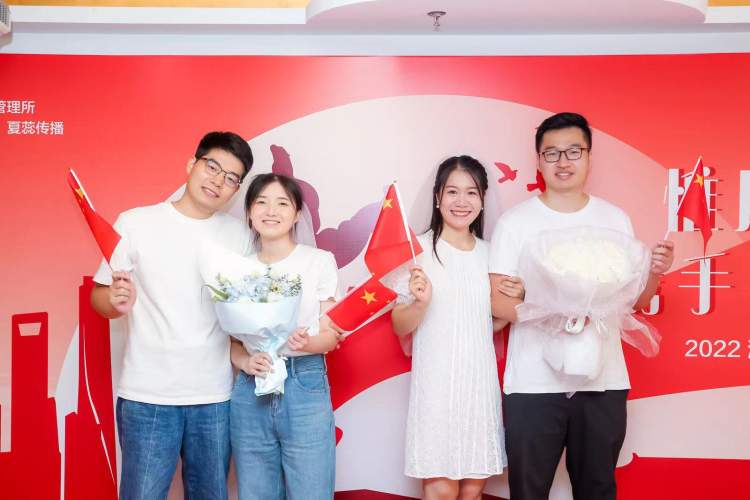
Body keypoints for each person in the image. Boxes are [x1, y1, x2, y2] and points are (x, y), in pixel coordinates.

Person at [489, 112, 675, 500]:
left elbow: (635, 302)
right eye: (552, 153)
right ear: (539, 161)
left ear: (589, 157)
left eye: (574, 151)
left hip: (603, 382)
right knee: (528, 491)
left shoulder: (614, 219)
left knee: (597, 489)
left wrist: (655, 274)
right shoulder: (515, 223)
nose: (563, 161)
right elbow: (498, 302)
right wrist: (553, 314)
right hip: (533, 383)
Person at [90, 131, 254, 500]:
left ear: (236, 189)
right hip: (147, 393)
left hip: (213, 395)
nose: (218, 181)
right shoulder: (135, 223)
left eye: (231, 178)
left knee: (210, 493)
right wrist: (113, 300)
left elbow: (243, 310)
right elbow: (100, 297)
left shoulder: (239, 236)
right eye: (212, 167)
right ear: (192, 164)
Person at [390, 156, 524, 500]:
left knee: (473, 489)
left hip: (479, 384)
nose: (461, 201)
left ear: (482, 200)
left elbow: (489, 319)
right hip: (436, 384)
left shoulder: (492, 255)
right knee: (440, 488)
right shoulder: (417, 251)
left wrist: (516, 302)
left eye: (471, 192)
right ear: (438, 197)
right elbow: (399, 324)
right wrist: (419, 303)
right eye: (452, 192)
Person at [229, 173, 340, 500]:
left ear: (296, 214)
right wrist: (246, 361)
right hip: (251, 388)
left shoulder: (319, 262)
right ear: (249, 212)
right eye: (261, 202)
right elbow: (230, 341)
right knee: (255, 492)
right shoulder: (235, 269)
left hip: (304, 381)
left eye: (282, 203)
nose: (271, 211)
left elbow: (331, 335)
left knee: (311, 491)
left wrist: (307, 342)